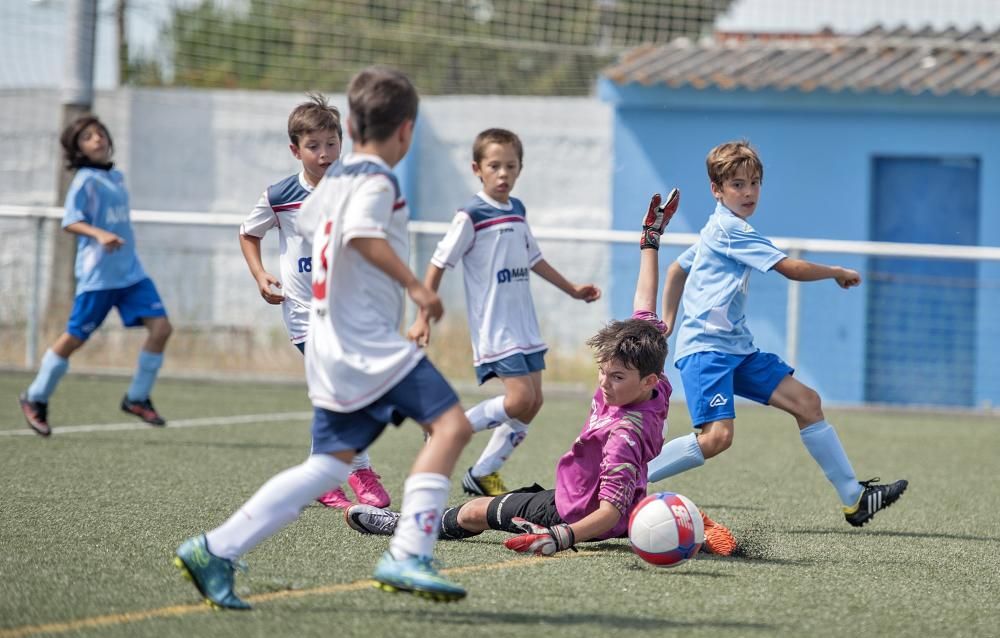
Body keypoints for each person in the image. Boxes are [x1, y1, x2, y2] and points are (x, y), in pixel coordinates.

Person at [175, 66, 475, 609]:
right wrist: (417, 290)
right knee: (451, 425)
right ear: (405, 130)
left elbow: (316, 229)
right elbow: (360, 236)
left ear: (351, 128)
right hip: (366, 342)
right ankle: (408, 552)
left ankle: (214, 548)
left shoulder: (334, 181)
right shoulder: (376, 180)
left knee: (328, 465)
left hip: (331, 342)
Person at [348, 189, 737, 557]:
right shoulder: (651, 374)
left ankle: (402, 525)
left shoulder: (625, 433)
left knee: (473, 513)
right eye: (603, 372)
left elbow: (609, 513)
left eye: (617, 378)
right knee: (598, 502)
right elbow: (644, 300)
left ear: (647, 381)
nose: (605, 382)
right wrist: (650, 238)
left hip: (576, 512)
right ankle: (681, 520)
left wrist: (560, 536)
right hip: (613, 498)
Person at [647, 140, 907, 528]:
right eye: (737, 184)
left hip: (736, 349)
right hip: (707, 350)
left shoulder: (716, 230)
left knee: (807, 403)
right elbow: (791, 269)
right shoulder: (730, 230)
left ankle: (855, 497)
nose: (748, 192)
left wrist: (666, 322)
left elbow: (676, 272)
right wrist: (836, 271)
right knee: (717, 437)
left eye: (754, 183)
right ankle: (630, 477)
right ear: (716, 190)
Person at [408, 128, 601, 498]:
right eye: (494, 166)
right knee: (518, 400)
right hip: (495, 326)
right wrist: (422, 316)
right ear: (477, 168)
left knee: (534, 402)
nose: (503, 173)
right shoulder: (471, 214)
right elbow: (437, 263)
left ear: (520, 169)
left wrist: (572, 289)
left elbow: (534, 259)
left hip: (524, 323)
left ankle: (482, 472)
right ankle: (445, 427)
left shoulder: (517, 209)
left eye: (510, 166)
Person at [238, 93, 389, 511]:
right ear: (295, 150)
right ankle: (357, 469)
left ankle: (321, 474)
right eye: (314, 146)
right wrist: (260, 274)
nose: (324, 155)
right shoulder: (280, 195)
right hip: (305, 312)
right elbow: (249, 234)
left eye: (332, 144)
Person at [18, 115, 173, 436]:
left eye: (99, 133)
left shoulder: (116, 177)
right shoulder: (84, 180)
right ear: (78, 149)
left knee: (161, 328)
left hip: (130, 274)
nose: (97, 139)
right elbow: (70, 221)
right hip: (99, 277)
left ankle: (137, 397)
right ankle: (35, 396)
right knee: (74, 338)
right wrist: (99, 234)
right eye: (88, 137)